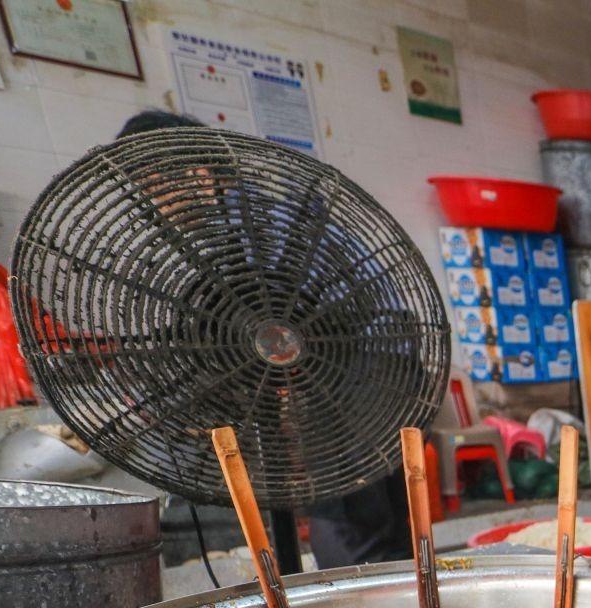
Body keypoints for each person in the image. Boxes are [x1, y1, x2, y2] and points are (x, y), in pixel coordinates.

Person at [114, 109, 411, 568]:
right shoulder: (253, 213)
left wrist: (291, 387)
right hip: (382, 356)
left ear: (198, 173)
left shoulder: (253, 225)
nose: (154, 207)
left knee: (344, 508)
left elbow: (289, 317)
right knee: (388, 507)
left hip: (350, 362)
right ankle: (405, 606)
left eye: (155, 188)